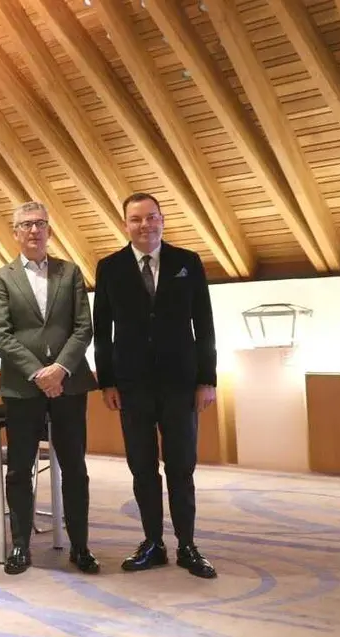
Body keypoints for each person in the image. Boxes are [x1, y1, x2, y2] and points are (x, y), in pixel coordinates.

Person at [93, 192, 218, 579]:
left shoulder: (187, 262)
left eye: (151, 218)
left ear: (162, 220)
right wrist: (107, 382)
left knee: (181, 467)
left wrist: (207, 379)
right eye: (136, 219)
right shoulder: (109, 267)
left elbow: (205, 323)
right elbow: (102, 330)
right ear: (125, 224)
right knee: (142, 467)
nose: (144, 225)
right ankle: (152, 544)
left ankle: (188, 546)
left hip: (181, 383)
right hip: (132, 386)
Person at [0, 202, 99, 576]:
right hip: (22, 387)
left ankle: (80, 546)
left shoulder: (70, 273)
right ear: (15, 232)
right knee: (20, 467)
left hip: (70, 384)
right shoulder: (1, 278)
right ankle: (20, 544)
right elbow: (1, 335)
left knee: (75, 467)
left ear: (49, 230)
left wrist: (61, 369)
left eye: (40, 224)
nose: (34, 231)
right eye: (26, 225)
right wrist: (39, 373)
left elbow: (83, 327)